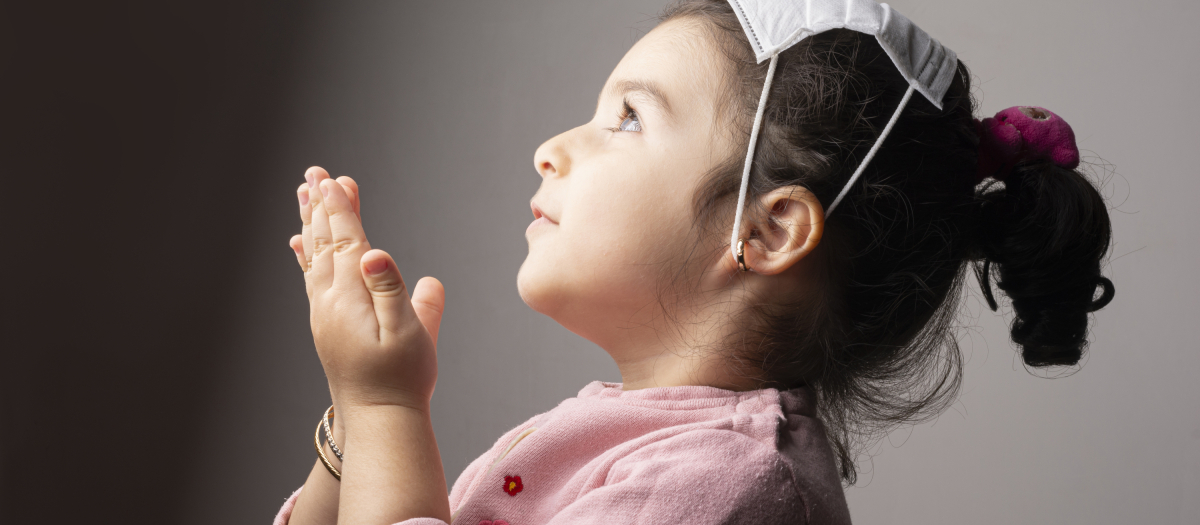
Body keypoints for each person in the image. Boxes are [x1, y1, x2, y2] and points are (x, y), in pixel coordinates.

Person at [276, 1, 1115, 523]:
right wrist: (351, 433)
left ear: (770, 230)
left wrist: (383, 400)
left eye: (628, 118)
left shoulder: (722, 483)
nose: (549, 150)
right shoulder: (641, 442)